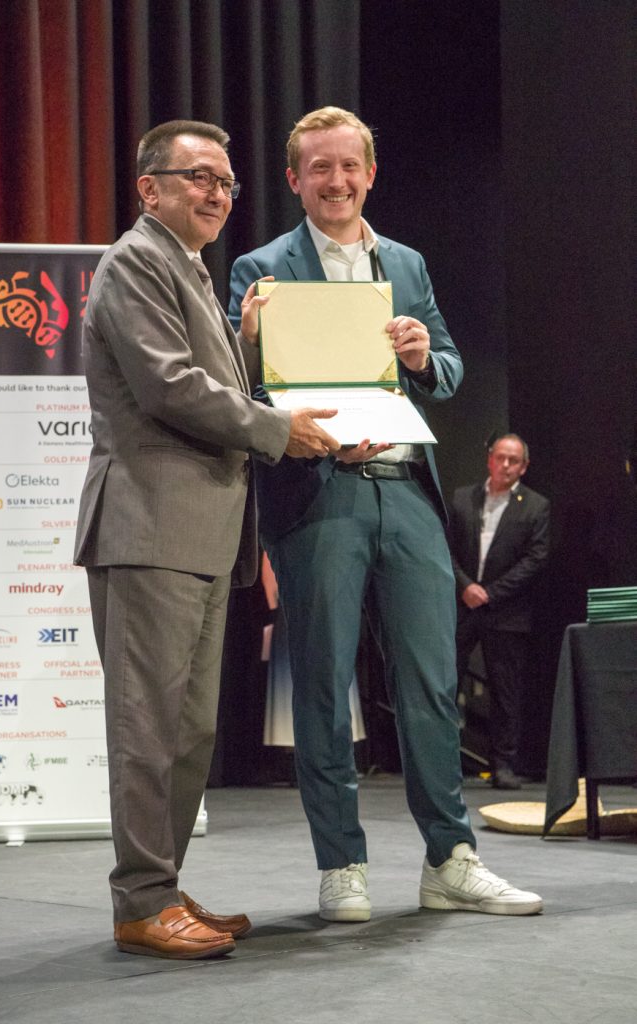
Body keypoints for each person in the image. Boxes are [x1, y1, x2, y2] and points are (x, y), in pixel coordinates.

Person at [229, 106, 543, 920]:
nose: (335, 181)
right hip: (319, 490)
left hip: (404, 489)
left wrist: (421, 355)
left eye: (349, 166)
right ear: (294, 179)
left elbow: (448, 365)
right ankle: (341, 864)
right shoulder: (260, 268)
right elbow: (239, 389)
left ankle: (450, 858)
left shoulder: (404, 262)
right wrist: (249, 339)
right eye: (319, 168)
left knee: (431, 682)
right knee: (323, 685)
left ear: (369, 174)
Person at [74, 119, 340, 960]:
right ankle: (140, 901)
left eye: (225, 181)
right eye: (198, 177)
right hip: (149, 525)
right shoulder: (135, 261)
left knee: (187, 734)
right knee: (147, 728)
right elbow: (169, 386)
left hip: (198, 532)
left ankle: (162, 888)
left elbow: (206, 380)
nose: (216, 194)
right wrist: (277, 429)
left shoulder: (186, 266)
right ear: (149, 188)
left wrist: (252, 351)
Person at [450, 434, 550, 789]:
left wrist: (490, 593)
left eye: (513, 460)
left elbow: (535, 559)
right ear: (489, 459)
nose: (505, 465)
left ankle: (503, 764)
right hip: (462, 604)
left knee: (506, 692)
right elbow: (445, 547)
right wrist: (466, 586)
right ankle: (442, 762)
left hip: (506, 610)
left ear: (524, 467)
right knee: (446, 683)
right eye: (500, 457)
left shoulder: (535, 506)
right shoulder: (462, 498)